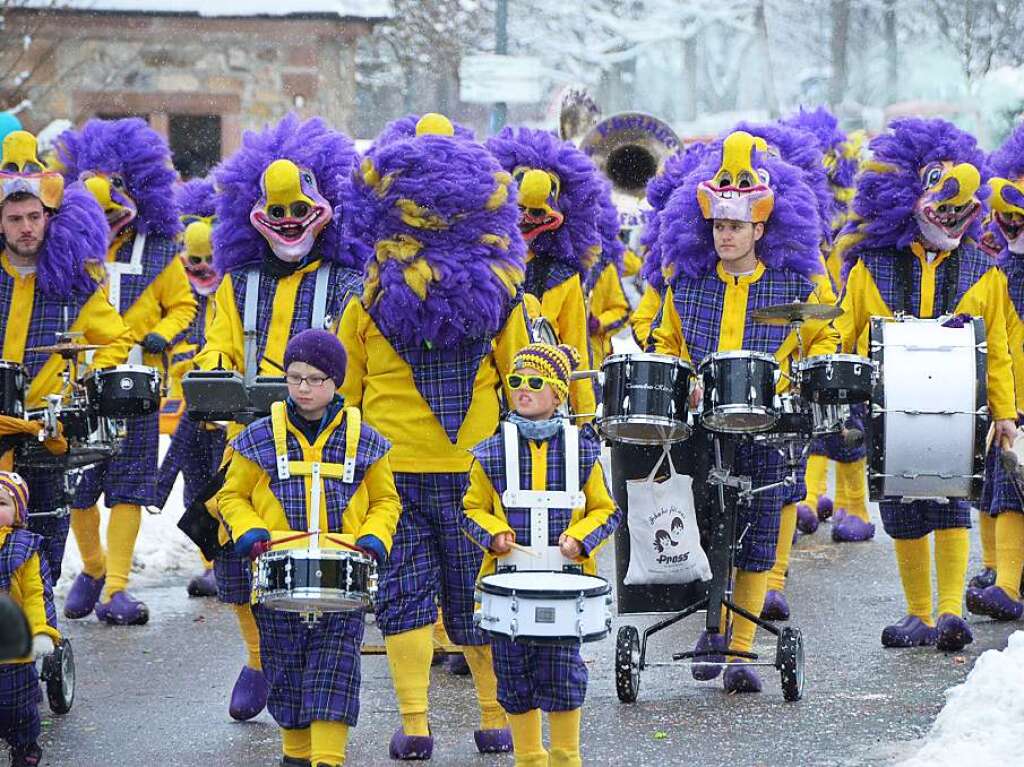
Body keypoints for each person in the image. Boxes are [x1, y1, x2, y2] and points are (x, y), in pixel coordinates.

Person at [340, 114, 530, 759]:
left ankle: (492, 711)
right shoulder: (363, 298)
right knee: (404, 598)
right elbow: (345, 394)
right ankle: (416, 720)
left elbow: (526, 381)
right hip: (393, 478)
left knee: (475, 598)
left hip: (473, 476)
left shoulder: (505, 299)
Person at [651, 130, 838, 691]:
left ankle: (740, 648)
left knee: (757, 535)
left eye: (736, 226)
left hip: (767, 425)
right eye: (718, 226)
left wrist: (804, 380)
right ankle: (710, 623)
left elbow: (821, 338)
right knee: (701, 527)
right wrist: (678, 381)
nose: (726, 235)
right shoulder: (685, 284)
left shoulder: (793, 283)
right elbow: (665, 343)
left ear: (760, 228)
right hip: (703, 426)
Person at [194, 114, 366, 722]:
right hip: (249, 442)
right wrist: (213, 374)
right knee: (236, 554)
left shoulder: (350, 281)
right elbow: (215, 344)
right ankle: (259, 656)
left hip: (326, 447)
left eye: (301, 207)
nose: (291, 221)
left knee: (316, 558)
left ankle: (314, 669)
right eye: (278, 209)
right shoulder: (236, 284)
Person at [834, 117, 1016, 651]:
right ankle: (919, 612)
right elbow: (845, 328)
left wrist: (1003, 411)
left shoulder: (986, 270)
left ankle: (950, 610)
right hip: (891, 411)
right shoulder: (872, 265)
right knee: (903, 509)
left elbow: (999, 348)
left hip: (962, 413)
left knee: (953, 503)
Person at [219, 330, 401, 767]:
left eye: (315, 379)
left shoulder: (366, 440)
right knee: (284, 671)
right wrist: (248, 532)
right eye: (294, 377)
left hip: (343, 578)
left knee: (335, 670)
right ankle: (296, 755)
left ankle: (328, 758)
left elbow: (386, 501)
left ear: (336, 381)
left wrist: (375, 536)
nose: (303, 388)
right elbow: (232, 496)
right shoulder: (257, 437)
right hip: (276, 575)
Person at [58, 118, 197, 625]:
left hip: (136, 387)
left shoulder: (160, 252)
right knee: (76, 486)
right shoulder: (65, 252)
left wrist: (164, 332)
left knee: (130, 486)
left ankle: (116, 586)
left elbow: (183, 306)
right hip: (77, 385)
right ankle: (92, 568)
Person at [461, 342, 620, 767]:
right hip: (507, 585)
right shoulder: (491, 449)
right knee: (513, 676)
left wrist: (580, 539)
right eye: (515, 382)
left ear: (559, 394)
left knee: (562, 674)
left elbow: (607, 511)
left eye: (535, 382)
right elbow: (470, 509)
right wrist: (493, 533)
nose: (522, 390)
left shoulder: (583, 449)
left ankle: (567, 757)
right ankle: (529, 758)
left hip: (565, 590)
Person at [0, 130, 133, 583]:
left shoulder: (75, 281)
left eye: (34, 216)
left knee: (43, 551)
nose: (26, 227)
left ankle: (40, 639)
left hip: (42, 435)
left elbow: (114, 339)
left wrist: (84, 380)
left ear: (48, 216)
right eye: (15, 217)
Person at [486, 126, 602, 421]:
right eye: (518, 208)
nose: (525, 219)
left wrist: (585, 421)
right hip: (486, 408)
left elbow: (577, 351)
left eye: (537, 213)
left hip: (543, 414)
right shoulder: (480, 265)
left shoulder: (563, 277)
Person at [963, 125, 1024, 621]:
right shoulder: (1000, 267)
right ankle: (1001, 575)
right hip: (1014, 398)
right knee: (999, 488)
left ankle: (1008, 582)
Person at [154, 178, 224, 598]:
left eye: (208, 258)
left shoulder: (233, 292)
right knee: (192, 491)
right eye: (192, 259)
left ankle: (226, 564)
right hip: (186, 415)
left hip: (222, 415)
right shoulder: (181, 298)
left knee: (222, 491)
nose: (200, 266)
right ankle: (210, 562)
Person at [0, 471, 61, 767]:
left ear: (18, 514)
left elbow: (37, 595)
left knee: (16, 705)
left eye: (1, 503)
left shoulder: (23, 549)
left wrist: (41, 631)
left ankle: (24, 744)